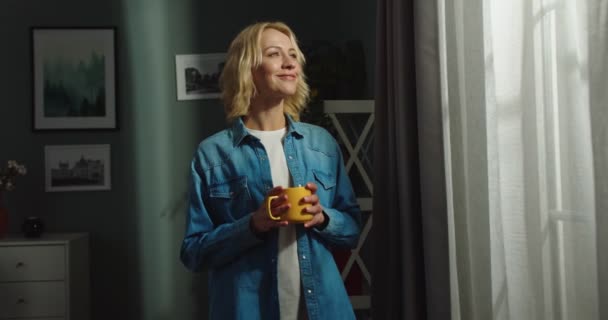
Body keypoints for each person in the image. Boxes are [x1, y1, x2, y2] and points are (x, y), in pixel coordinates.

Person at [180, 21, 362, 320]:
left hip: (323, 310)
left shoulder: (321, 144)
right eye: (275, 54)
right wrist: (253, 224)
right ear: (247, 68)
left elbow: (352, 229)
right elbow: (194, 253)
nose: (290, 62)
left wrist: (322, 217)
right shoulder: (212, 154)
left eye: (293, 55)